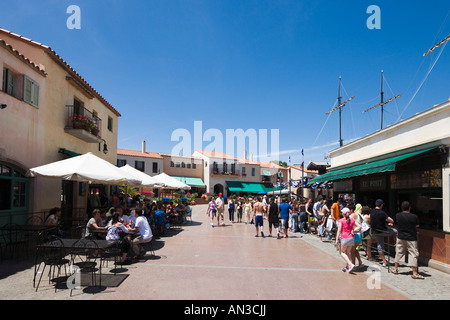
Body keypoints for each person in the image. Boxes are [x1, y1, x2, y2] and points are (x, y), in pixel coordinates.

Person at [392, 201, 423, 279]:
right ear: (410, 207)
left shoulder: (398, 215)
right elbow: (417, 225)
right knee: (413, 254)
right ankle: (414, 273)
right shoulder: (414, 216)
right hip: (411, 237)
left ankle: (395, 269)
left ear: (401, 208)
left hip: (401, 236)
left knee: (399, 252)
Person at [370, 199, 397, 267]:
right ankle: (397, 244)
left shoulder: (372, 211)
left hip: (375, 231)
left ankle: (384, 261)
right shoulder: (382, 213)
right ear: (381, 205)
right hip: (383, 230)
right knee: (396, 231)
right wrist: (389, 222)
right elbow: (392, 220)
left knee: (380, 245)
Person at [336, 207, 361, 273]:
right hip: (351, 238)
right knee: (347, 252)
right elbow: (359, 226)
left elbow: (339, 231)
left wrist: (336, 240)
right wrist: (354, 230)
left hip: (344, 237)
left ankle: (350, 264)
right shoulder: (352, 220)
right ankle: (347, 267)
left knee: (342, 252)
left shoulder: (341, 220)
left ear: (343, 213)